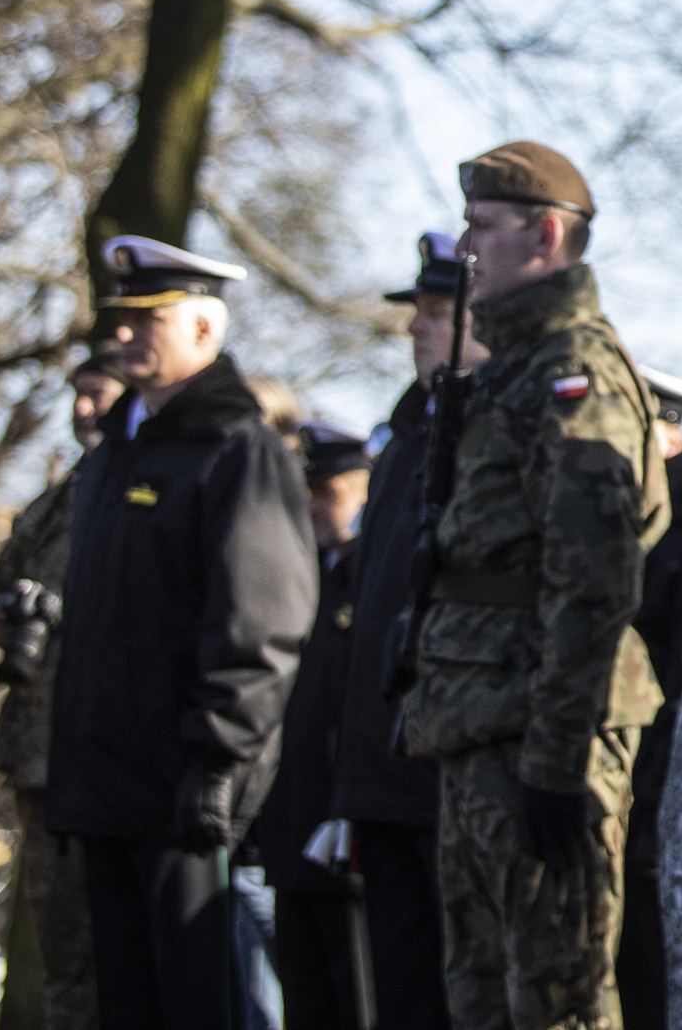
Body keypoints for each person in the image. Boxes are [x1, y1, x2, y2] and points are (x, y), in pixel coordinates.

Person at [401, 143, 669, 1030]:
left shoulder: (574, 373)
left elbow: (593, 583)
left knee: (558, 1008)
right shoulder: (509, 370)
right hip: (481, 722)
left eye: (483, 228)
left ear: (546, 235)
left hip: (539, 739)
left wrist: (556, 761)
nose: (467, 251)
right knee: (481, 1001)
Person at [48, 236, 317, 1030]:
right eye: (122, 319)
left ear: (203, 328)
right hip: (106, 786)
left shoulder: (235, 448)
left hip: (181, 789)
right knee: (125, 1004)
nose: (126, 335)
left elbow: (262, 622)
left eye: (149, 320)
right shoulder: (116, 453)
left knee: (195, 1003)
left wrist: (217, 762)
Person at [335, 231, 481, 1030]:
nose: (416, 327)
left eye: (436, 311)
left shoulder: (489, 429)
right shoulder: (402, 440)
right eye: (416, 311)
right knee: (399, 995)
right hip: (383, 768)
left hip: (448, 768)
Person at [0, 356, 124, 1030]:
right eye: (78, 395)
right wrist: (1, 614)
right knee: (59, 945)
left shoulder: (138, 485)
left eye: (99, 394)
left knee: (109, 945)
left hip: (104, 752)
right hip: (38, 751)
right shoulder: (58, 497)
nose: (83, 409)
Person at [617, 366, 682, 1030]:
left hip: (652, 798)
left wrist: (652, 805)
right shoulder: (625, 524)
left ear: (670, 438)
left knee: (652, 986)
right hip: (615, 784)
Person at [260, 420, 374, 1030]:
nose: (312, 508)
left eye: (328, 494)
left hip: (346, 830)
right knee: (304, 1001)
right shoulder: (302, 579)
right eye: (306, 494)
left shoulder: (374, 579)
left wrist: (351, 805)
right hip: (293, 823)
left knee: (355, 998)